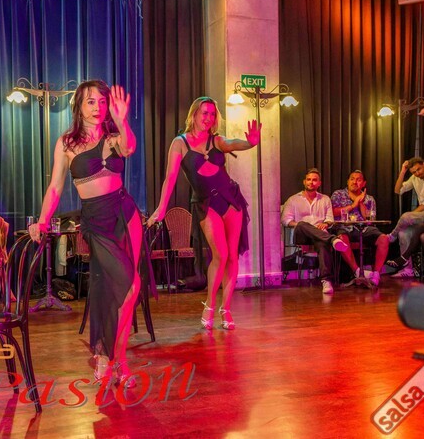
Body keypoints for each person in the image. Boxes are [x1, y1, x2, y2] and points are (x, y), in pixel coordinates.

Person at [29, 80, 140, 386]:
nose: (97, 107)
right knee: (126, 286)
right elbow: (55, 187)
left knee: (127, 288)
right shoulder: (67, 143)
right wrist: (42, 220)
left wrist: (122, 119)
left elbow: (129, 148)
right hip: (96, 221)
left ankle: (117, 359)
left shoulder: (114, 136)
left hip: (125, 214)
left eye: (102, 102)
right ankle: (109, 357)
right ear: (78, 106)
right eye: (90, 101)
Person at [147, 97, 259, 329]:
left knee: (232, 256)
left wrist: (250, 143)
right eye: (204, 113)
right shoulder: (180, 143)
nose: (208, 118)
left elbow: (233, 143)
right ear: (194, 114)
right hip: (206, 204)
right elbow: (170, 178)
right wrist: (161, 208)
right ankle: (210, 304)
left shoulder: (216, 140)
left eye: (212, 114)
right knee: (220, 254)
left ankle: (226, 309)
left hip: (230, 200)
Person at [281, 168, 350, 295]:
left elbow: (330, 219)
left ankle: (326, 281)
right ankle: (333, 239)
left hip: (320, 234)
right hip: (301, 235)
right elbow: (285, 220)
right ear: (304, 182)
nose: (311, 182)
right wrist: (299, 224)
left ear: (319, 183)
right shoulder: (293, 199)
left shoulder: (325, 199)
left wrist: (325, 224)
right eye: (308, 179)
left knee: (322, 244)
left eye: (314, 180)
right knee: (303, 224)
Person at [385, 157, 424, 276]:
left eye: (419, 169)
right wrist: (403, 171)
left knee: (406, 217)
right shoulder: (415, 177)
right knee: (403, 233)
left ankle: (392, 236)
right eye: (414, 172)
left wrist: (410, 216)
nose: (417, 173)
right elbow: (398, 190)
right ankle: (408, 270)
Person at [330, 170, 390, 287]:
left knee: (384, 238)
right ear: (347, 181)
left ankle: (376, 274)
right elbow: (333, 212)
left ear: (364, 183)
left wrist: (360, 202)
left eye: (358, 180)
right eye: (352, 179)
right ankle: (357, 271)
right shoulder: (338, 194)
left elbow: (369, 219)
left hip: (364, 228)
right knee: (341, 238)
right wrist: (353, 205)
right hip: (345, 227)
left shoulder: (369, 198)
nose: (354, 182)